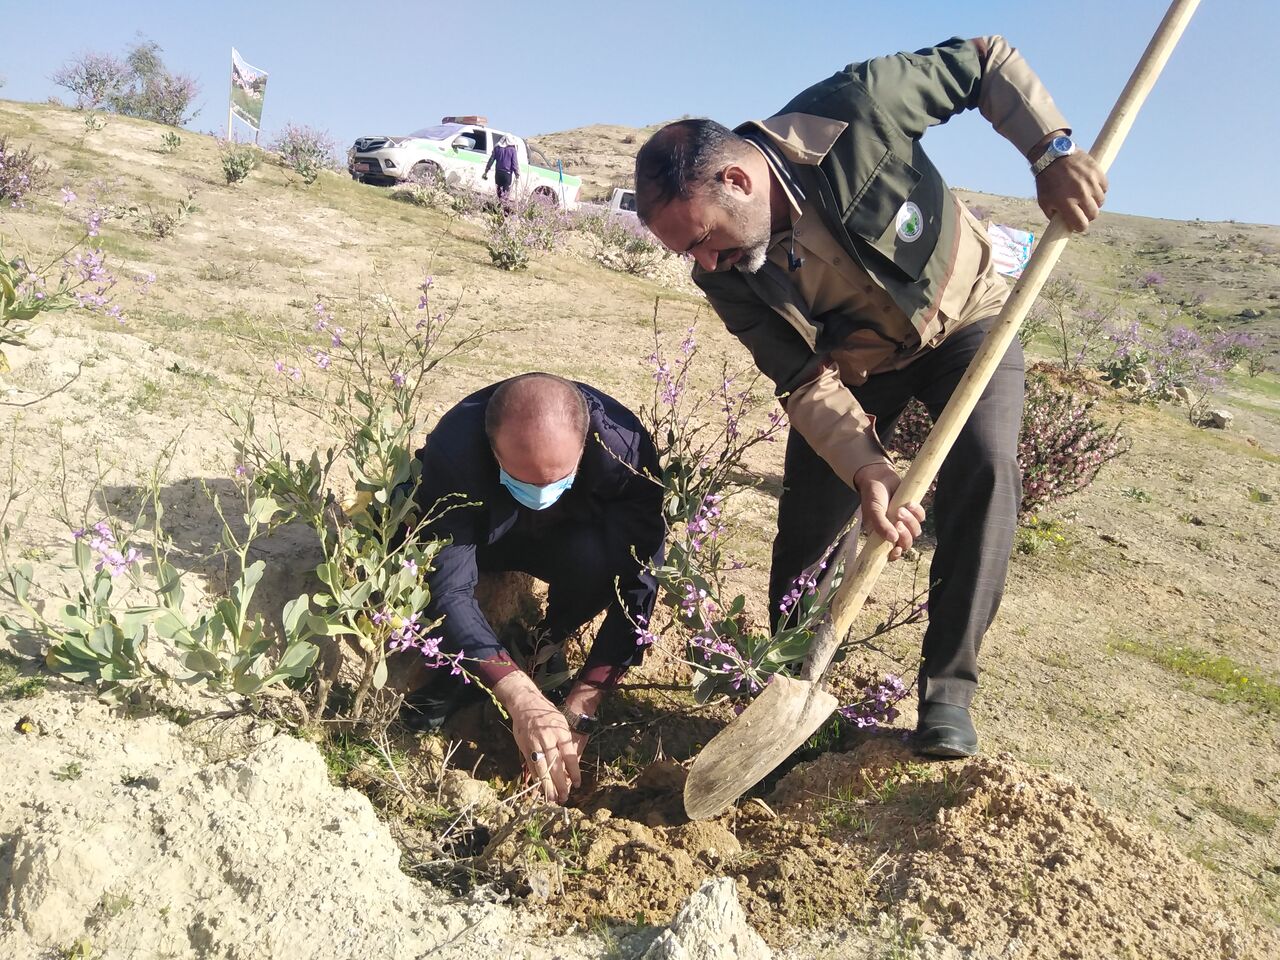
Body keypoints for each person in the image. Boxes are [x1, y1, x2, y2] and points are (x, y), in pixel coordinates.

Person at [634, 36, 1107, 758]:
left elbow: (982, 62)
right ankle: (790, 688)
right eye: (686, 255)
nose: (703, 263)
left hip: (968, 319)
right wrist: (867, 467)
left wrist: (1051, 152)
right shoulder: (723, 273)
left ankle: (948, 693)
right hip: (856, 370)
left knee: (987, 473)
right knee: (808, 529)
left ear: (736, 179)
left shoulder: (855, 111)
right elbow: (799, 379)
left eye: (703, 239)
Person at [403, 373, 663, 802]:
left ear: (585, 446)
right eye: (524, 478)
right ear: (492, 449)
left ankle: (545, 645)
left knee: (602, 559)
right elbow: (448, 589)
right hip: (485, 533)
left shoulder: (625, 449)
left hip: (573, 536)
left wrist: (584, 705)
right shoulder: (455, 448)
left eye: (557, 477)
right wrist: (519, 695)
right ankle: (477, 670)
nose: (542, 492)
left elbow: (638, 580)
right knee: (416, 558)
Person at [483, 134, 520, 202]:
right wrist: (517, 174)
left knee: (499, 192)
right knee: (505, 192)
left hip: (498, 173)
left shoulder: (497, 148)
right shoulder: (512, 150)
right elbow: (514, 163)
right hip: (507, 174)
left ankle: (498, 206)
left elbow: (491, 160)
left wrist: (486, 171)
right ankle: (504, 209)